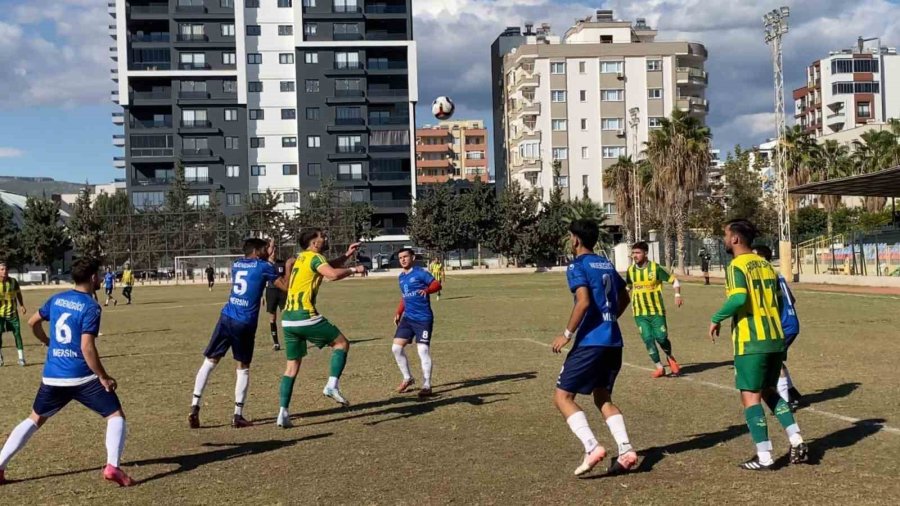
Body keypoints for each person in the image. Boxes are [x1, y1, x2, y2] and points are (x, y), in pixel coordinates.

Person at [0, 258, 134, 487]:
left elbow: (32, 322)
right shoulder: (91, 306)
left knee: (34, 419)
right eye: (99, 275)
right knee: (115, 416)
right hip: (82, 377)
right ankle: (113, 466)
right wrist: (103, 376)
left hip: (53, 376)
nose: (101, 278)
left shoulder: (57, 298)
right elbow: (86, 347)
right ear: (92, 278)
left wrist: (47, 342)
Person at [709, 219, 809, 471]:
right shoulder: (766, 265)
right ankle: (796, 438)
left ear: (734, 239)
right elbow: (778, 300)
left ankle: (764, 456)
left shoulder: (736, 266)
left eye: (725, 235)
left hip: (751, 341)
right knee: (769, 391)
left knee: (750, 397)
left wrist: (716, 317)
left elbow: (739, 298)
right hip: (775, 338)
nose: (724, 239)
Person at [551, 219, 638, 477]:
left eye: (570, 237)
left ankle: (591, 447)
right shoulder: (606, 263)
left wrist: (567, 334)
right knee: (602, 396)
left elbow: (583, 301)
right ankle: (626, 450)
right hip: (613, 341)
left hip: (591, 343)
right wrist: (609, 319)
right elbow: (624, 296)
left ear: (576, 239)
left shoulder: (577, 265)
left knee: (563, 397)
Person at [188, 239, 287, 429]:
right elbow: (285, 286)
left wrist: (269, 257)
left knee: (210, 361)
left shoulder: (236, 264)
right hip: (245, 322)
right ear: (257, 251)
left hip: (226, 317)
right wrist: (280, 265)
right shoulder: (265, 266)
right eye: (266, 248)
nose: (269, 250)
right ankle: (237, 414)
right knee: (243, 366)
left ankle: (195, 405)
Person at [276, 229, 366, 429]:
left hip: (288, 319)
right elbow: (331, 275)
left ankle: (283, 413)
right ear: (314, 243)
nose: (325, 238)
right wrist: (354, 269)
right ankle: (331, 385)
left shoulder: (301, 258)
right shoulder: (316, 257)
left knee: (291, 367)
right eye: (322, 236)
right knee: (341, 343)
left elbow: (326, 266)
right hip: (305, 316)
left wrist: (346, 256)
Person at [753, 245, 803, 410]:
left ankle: (785, 400)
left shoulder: (766, 274)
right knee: (777, 360)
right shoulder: (777, 274)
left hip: (783, 325)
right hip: (791, 322)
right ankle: (792, 392)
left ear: (762, 258)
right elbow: (792, 299)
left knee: (772, 363)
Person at [625, 242, 683, 378]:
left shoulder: (655, 268)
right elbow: (628, 286)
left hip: (656, 311)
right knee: (648, 339)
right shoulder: (631, 271)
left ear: (645, 253)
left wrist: (677, 294)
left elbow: (674, 281)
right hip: (639, 313)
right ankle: (659, 367)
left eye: (638, 253)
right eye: (633, 253)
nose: (634, 256)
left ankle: (670, 356)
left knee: (661, 338)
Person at [392, 248, 442, 397]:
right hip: (408, 318)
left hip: (423, 319)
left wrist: (426, 291)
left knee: (422, 351)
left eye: (405, 257)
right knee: (396, 348)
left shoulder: (420, 272)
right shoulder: (401, 277)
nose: (403, 260)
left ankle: (427, 385)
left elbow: (437, 285)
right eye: (400, 258)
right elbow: (405, 297)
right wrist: (399, 312)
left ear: (412, 257)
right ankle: (408, 378)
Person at [0, 261, 28, 366]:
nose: (5, 271)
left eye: (6, 269)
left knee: (17, 334)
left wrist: (22, 305)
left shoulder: (13, 282)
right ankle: (0, 358)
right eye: (2, 269)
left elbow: (18, 294)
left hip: (13, 314)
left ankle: (21, 358)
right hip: (0, 315)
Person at [265, 257, 287, 351]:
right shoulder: (265, 264)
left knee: (285, 316)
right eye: (272, 249)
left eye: (275, 249)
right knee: (272, 318)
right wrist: (262, 295)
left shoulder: (282, 263)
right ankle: (276, 343)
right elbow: (262, 280)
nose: (274, 251)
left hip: (282, 292)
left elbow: (287, 276)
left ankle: (289, 341)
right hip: (271, 292)